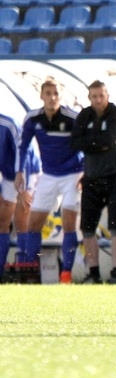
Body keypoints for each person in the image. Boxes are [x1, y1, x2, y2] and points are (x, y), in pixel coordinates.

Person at [17, 78, 83, 284]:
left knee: (69, 221)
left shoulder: (73, 117)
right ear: (41, 95)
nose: (52, 97)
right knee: (33, 223)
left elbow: (89, 143)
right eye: (48, 93)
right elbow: (23, 147)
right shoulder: (32, 119)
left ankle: (66, 273)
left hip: (73, 174)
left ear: (60, 96)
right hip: (49, 175)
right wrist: (20, 172)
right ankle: (30, 271)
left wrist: (86, 172)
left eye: (55, 93)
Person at [70, 80, 116, 284]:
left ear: (108, 96)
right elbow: (74, 142)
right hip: (92, 179)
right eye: (94, 96)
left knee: (115, 227)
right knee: (87, 228)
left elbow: (110, 139)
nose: (98, 100)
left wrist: (90, 143)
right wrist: (97, 144)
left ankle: (115, 273)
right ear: (89, 98)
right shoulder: (84, 116)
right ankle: (93, 273)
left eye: (101, 96)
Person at [1, 112, 40, 283]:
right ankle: (1, 271)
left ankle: (26, 270)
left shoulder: (8, 123)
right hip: (8, 176)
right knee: (2, 221)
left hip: (26, 171)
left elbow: (23, 150)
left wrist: (23, 187)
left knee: (22, 219)